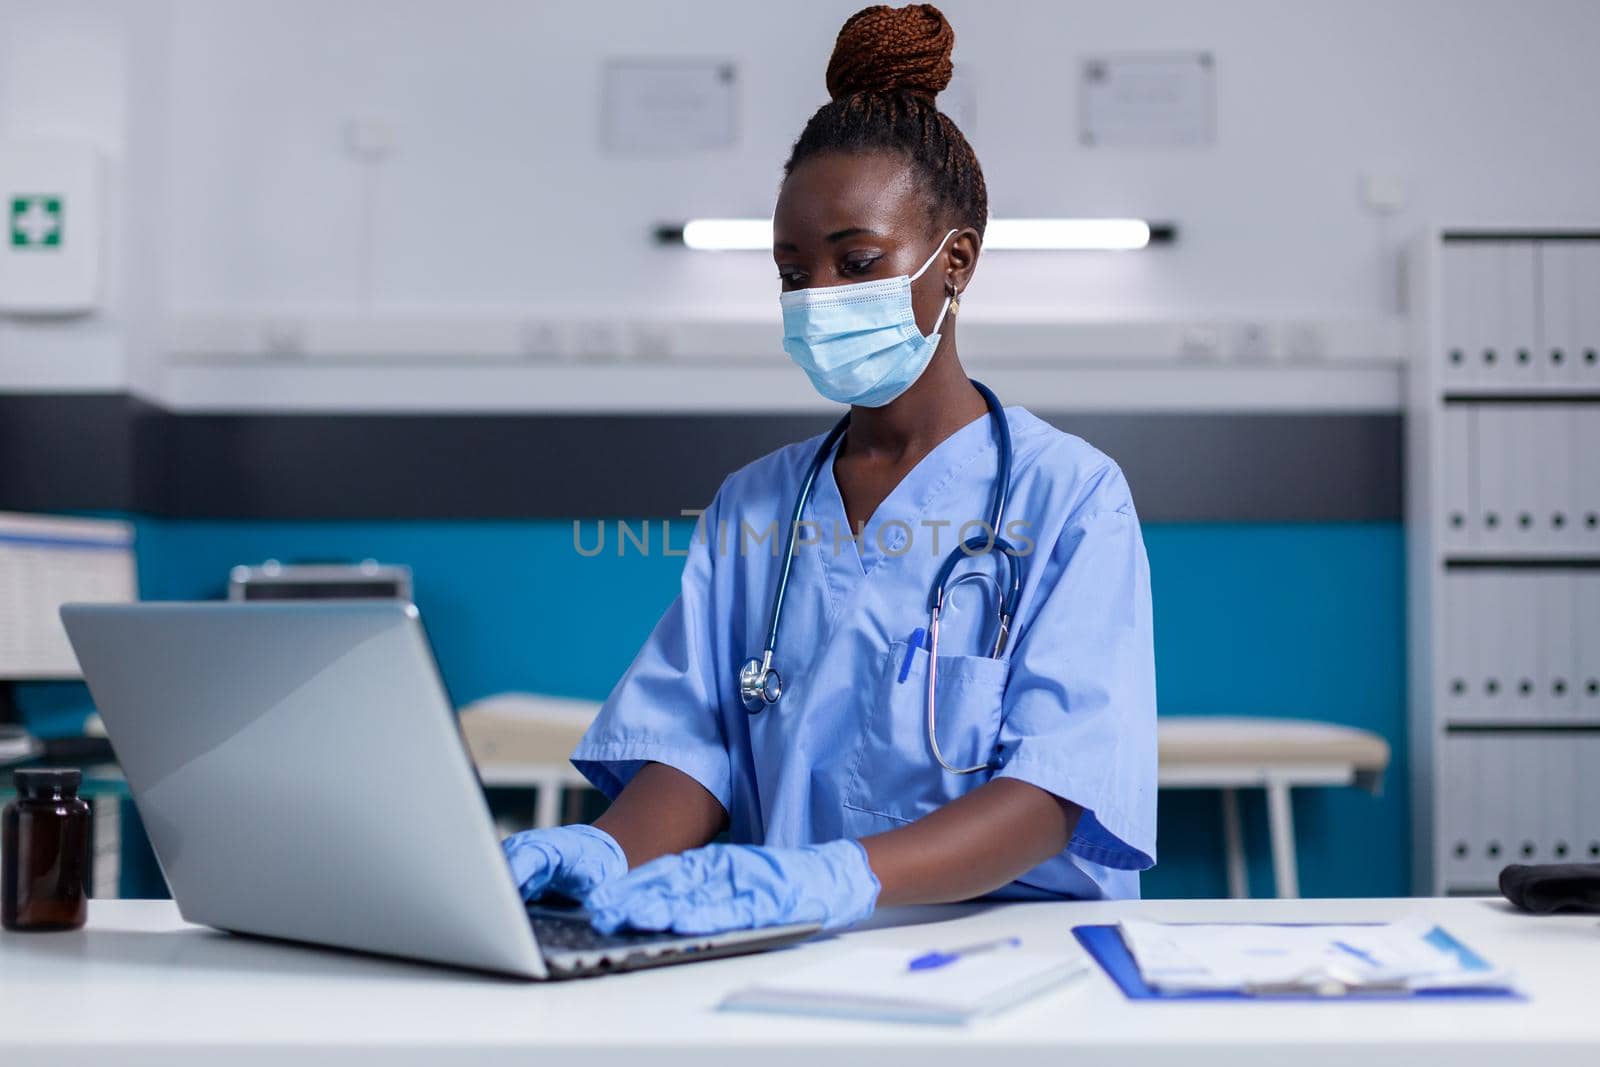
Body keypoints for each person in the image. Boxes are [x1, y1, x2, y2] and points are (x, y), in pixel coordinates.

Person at [503, 2, 1156, 936]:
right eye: (792, 271)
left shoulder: (1073, 497)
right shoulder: (756, 503)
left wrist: (831, 876)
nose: (819, 298)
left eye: (857, 261)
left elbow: (1058, 788)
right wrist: (606, 848)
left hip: (1007, 954)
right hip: (787, 950)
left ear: (954, 261)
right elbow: (696, 747)